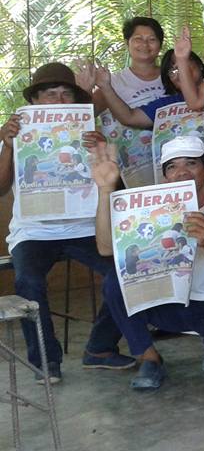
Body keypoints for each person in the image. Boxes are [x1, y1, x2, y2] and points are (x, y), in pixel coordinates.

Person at [0, 63, 134, 383]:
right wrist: (7, 145)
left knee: (126, 271)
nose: (59, 101)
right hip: (34, 230)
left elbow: (118, 191)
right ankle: (45, 362)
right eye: (50, 95)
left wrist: (103, 152)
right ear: (34, 101)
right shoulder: (16, 132)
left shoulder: (91, 134)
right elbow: (1, 188)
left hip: (87, 227)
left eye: (66, 94)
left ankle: (99, 348)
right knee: (28, 283)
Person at [91, 136, 204, 390]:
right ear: (165, 178)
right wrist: (105, 190)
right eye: (172, 167)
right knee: (114, 280)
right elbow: (106, 248)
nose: (181, 172)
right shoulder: (151, 208)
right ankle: (149, 358)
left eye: (191, 163)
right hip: (165, 299)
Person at [93, 47, 204, 128]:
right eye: (173, 70)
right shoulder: (167, 105)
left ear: (199, 65)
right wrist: (105, 86)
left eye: (183, 62)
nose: (181, 72)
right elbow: (129, 118)